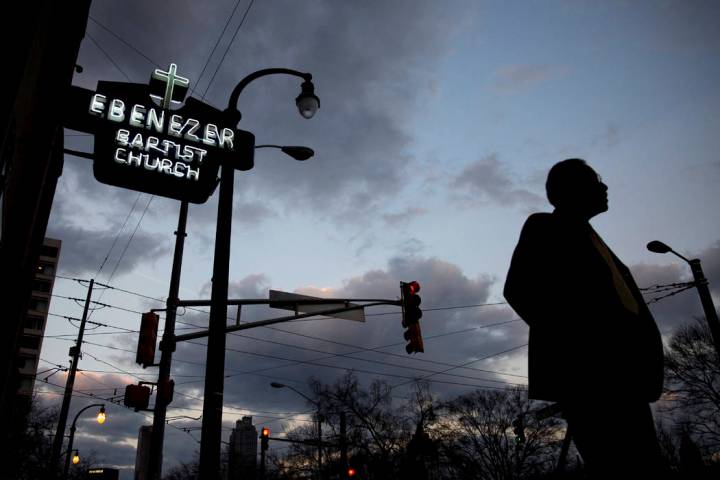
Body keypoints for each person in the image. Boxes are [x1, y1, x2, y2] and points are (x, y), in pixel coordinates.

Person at [503, 159, 666, 478]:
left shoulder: (596, 242)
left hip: (627, 380)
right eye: (595, 180)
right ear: (568, 190)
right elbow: (519, 289)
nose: (604, 187)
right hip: (593, 379)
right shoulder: (545, 226)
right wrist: (581, 351)